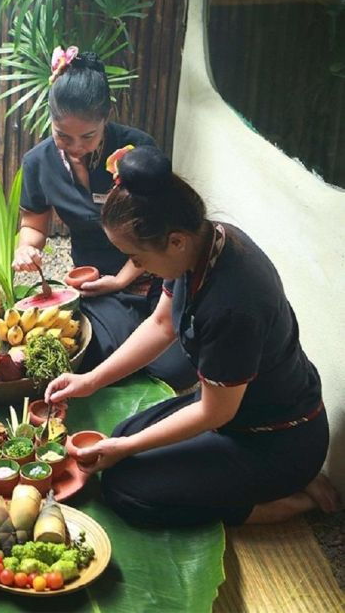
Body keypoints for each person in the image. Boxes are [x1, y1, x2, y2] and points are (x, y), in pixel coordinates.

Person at [44, 145, 341, 526]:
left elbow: (214, 411)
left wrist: (124, 449)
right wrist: (89, 381)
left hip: (273, 440)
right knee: (121, 435)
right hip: (232, 413)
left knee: (127, 490)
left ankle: (287, 500)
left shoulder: (234, 305)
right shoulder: (207, 241)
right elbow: (161, 324)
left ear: (175, 241)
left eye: (136, 258)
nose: (133, 268)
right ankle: (269, 481)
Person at [13, 47, 196, 390]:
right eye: (62, 135)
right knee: (95, 352)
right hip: (96, 281)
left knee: (176, 368)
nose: (76, 146)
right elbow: (33, 225)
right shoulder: (38, 162)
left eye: (88, 136)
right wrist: (26, 249)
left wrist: (123, 279)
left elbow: (158, 230)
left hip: (155, 272)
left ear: (106, 118)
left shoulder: (137, 151)